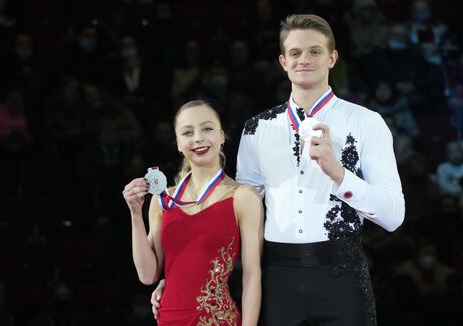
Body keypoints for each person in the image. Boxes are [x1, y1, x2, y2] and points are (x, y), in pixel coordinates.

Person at [152, 14, 405, 326]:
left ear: (332, 58)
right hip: (276, 276)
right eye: (295, 53)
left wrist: (339, 174)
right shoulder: (257, 129)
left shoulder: (366, 122)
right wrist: (181, 279)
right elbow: (232, 218)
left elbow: (393, 217)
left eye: (314, 51)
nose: (304, 60)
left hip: (341, 273)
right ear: (283, 61)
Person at [123, 100, 263, 325]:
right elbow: (148, 275)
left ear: (221, 136)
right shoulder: (163, 200)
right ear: (178, 144)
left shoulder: (243, 197)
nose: (198, 137)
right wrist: (135, 214)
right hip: (169, 318)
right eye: (187, 132)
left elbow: (252, 275)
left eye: (207, 129)